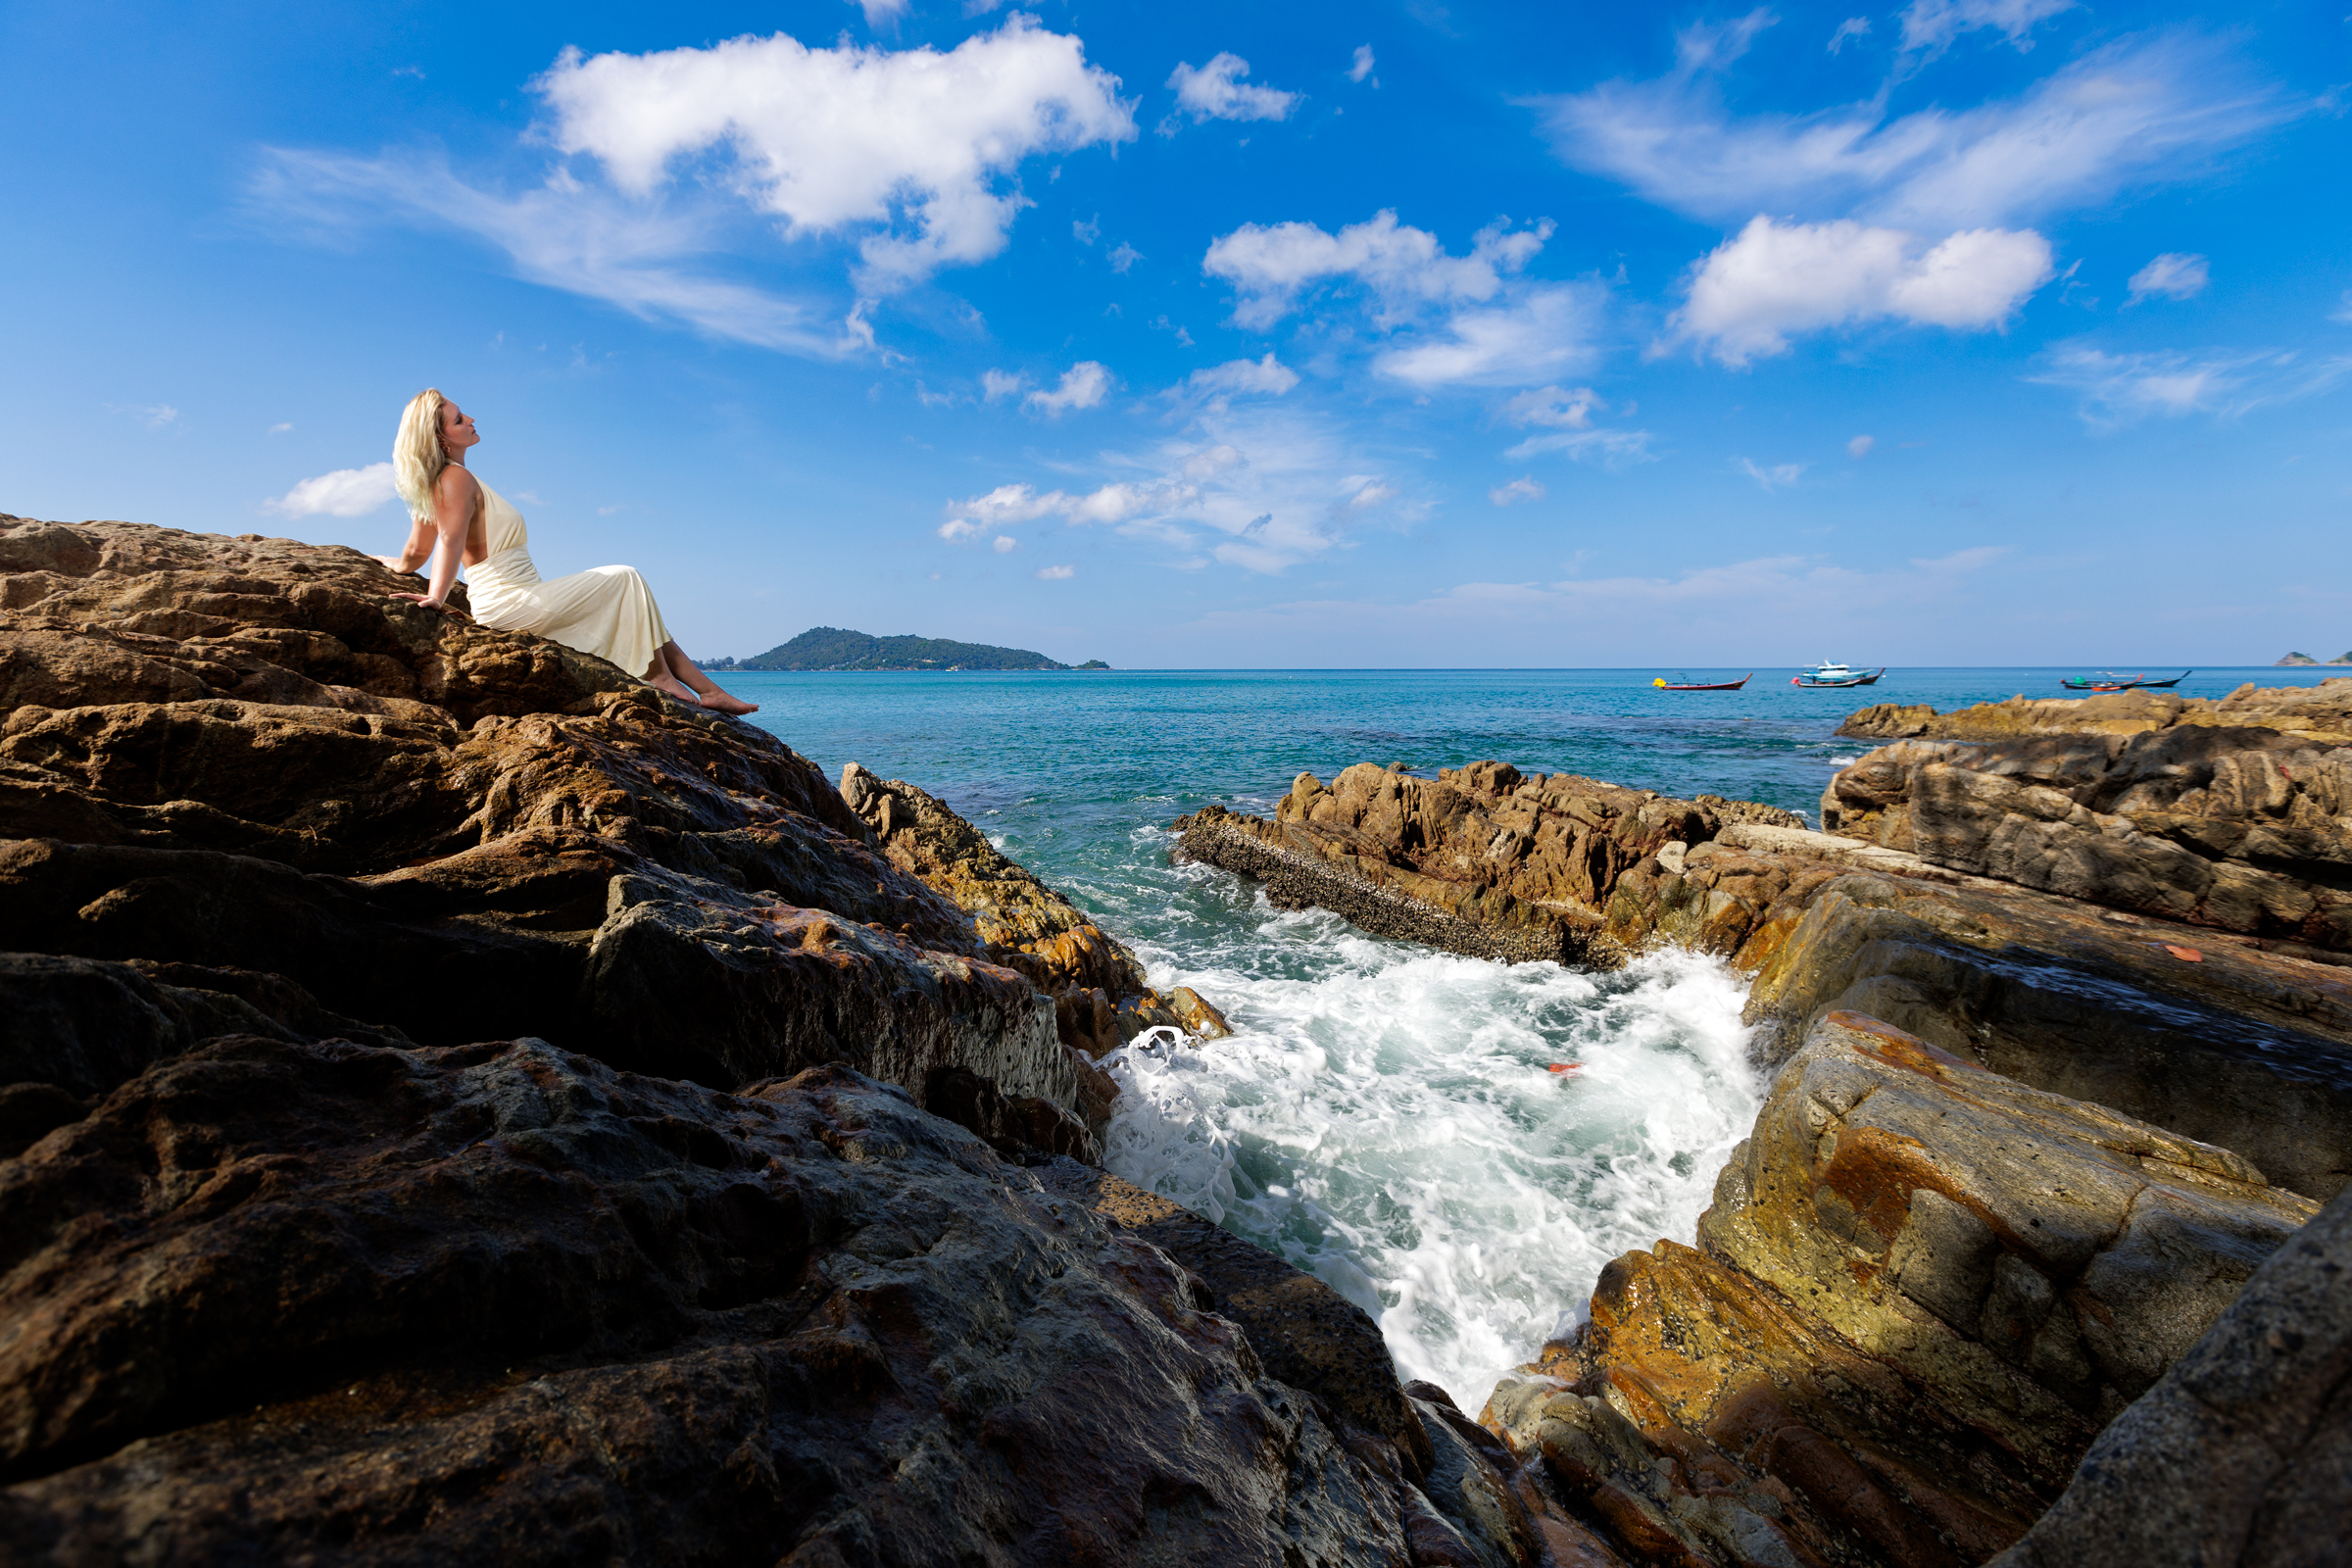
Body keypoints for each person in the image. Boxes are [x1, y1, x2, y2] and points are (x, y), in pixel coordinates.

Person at [375, 388, 757, 715]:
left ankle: (708, 691)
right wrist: (436, 598)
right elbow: (449, 541)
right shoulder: (454, 478)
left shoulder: (444, 482)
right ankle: (660, 677)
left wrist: (392, 563)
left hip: (523, 594)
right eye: (459, 419)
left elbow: (415, 550)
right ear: (441, 439)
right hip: (507, 600)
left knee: (633, 596)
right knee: (626, 577)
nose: (471, 418)